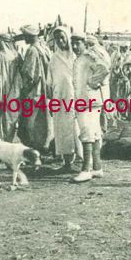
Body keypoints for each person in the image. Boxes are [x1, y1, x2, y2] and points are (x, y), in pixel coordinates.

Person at [71, 32, 109, 182]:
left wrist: (92, 82)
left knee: (87, 132)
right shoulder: (80, 59)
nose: (74, 46)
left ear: (84, 43)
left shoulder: (88, 57)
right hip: (88, 100)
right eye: (72, 43)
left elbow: (104, 69)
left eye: (77, 43)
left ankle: (86, 169)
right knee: (94, 133)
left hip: (88, 101)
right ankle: (97, 168)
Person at [48, 26, 82, 171]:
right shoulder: (54, 58)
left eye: (63, 37)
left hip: (73, 97)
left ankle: (81, 160)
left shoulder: (75, 57)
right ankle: (66, 162)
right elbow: (49, 80)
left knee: (76, 129)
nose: (61, 41)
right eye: (57, 39)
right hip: (59, 97)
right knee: (61, 130)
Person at [18, 25, 53, 151]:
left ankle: (33, 147)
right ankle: (44, 145)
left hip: (34, 91)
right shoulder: (44, 48)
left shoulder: (32, 50)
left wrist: (24, 90)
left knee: (30, 122)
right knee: (43, 120)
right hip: (44, 90)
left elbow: (30, 75)